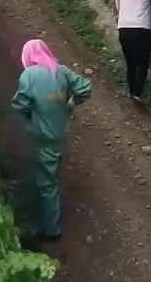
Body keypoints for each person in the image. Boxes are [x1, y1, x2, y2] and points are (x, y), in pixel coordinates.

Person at [10, 39, 92, 241]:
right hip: (59, 132)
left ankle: (50, 228)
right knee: (50, 172)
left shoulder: (29, 75)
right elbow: (84, 88)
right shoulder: (60, 70)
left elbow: (20, 104)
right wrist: (70, 105)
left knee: (46, 183)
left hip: (42, 135)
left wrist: (29, 116)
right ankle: (48, 217)